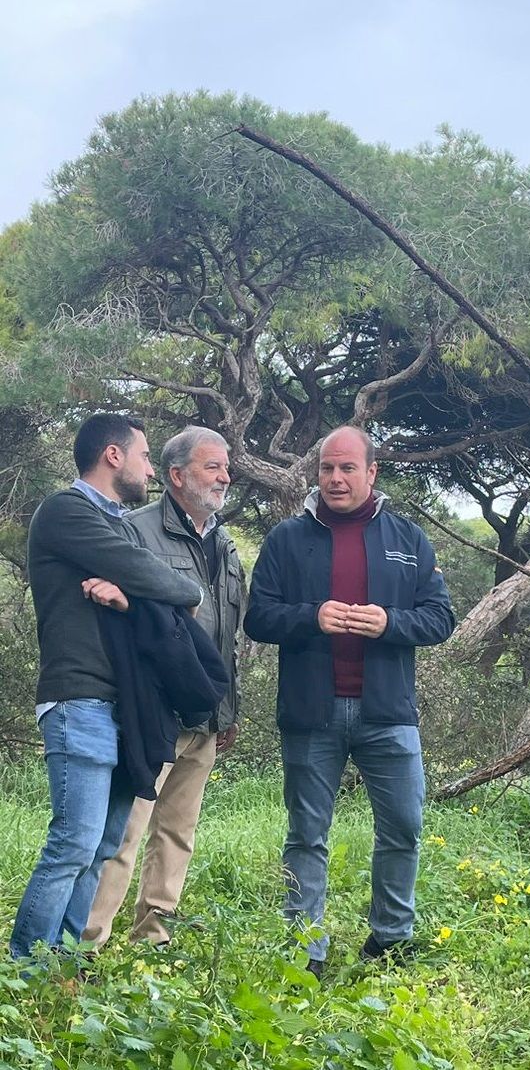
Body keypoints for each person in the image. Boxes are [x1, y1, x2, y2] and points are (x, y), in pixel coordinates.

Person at [244, 426, 453, 977]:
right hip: (311, 714)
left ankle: (390, 939)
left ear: (371, 473)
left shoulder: (407, 539)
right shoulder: (287, 539)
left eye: (347, 469)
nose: (335, 479)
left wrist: (390, 623)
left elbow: (440, 618)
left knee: (403, 828)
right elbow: (259, 617)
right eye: (327, 469)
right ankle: (305, 949)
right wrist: (310, 616)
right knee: (307, 834)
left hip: (389, 714)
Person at [9, 413, 204, 960]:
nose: (150, 467)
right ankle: (24, 972)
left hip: (126, 708)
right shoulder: (66, 512)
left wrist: (133, 595)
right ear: (113, 456)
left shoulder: (116, 524)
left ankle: (65, 971)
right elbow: (148, 574)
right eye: (144, 456)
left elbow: (137, 581)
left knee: (101, 847)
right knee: (73, 842)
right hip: (79, 700)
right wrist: (182, 589)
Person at [83, 427, 245, 947]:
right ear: (176, 475)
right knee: (124, 834)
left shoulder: (225, 543)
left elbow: (227, 638)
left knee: (178, 833)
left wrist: (229, 709)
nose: (225, 476)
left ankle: (152, 940)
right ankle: (88, 944)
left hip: (206, 715)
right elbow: (119, 618)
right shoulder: (133, 531)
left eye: (225, 467)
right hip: (152, 712)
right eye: (211, 467)